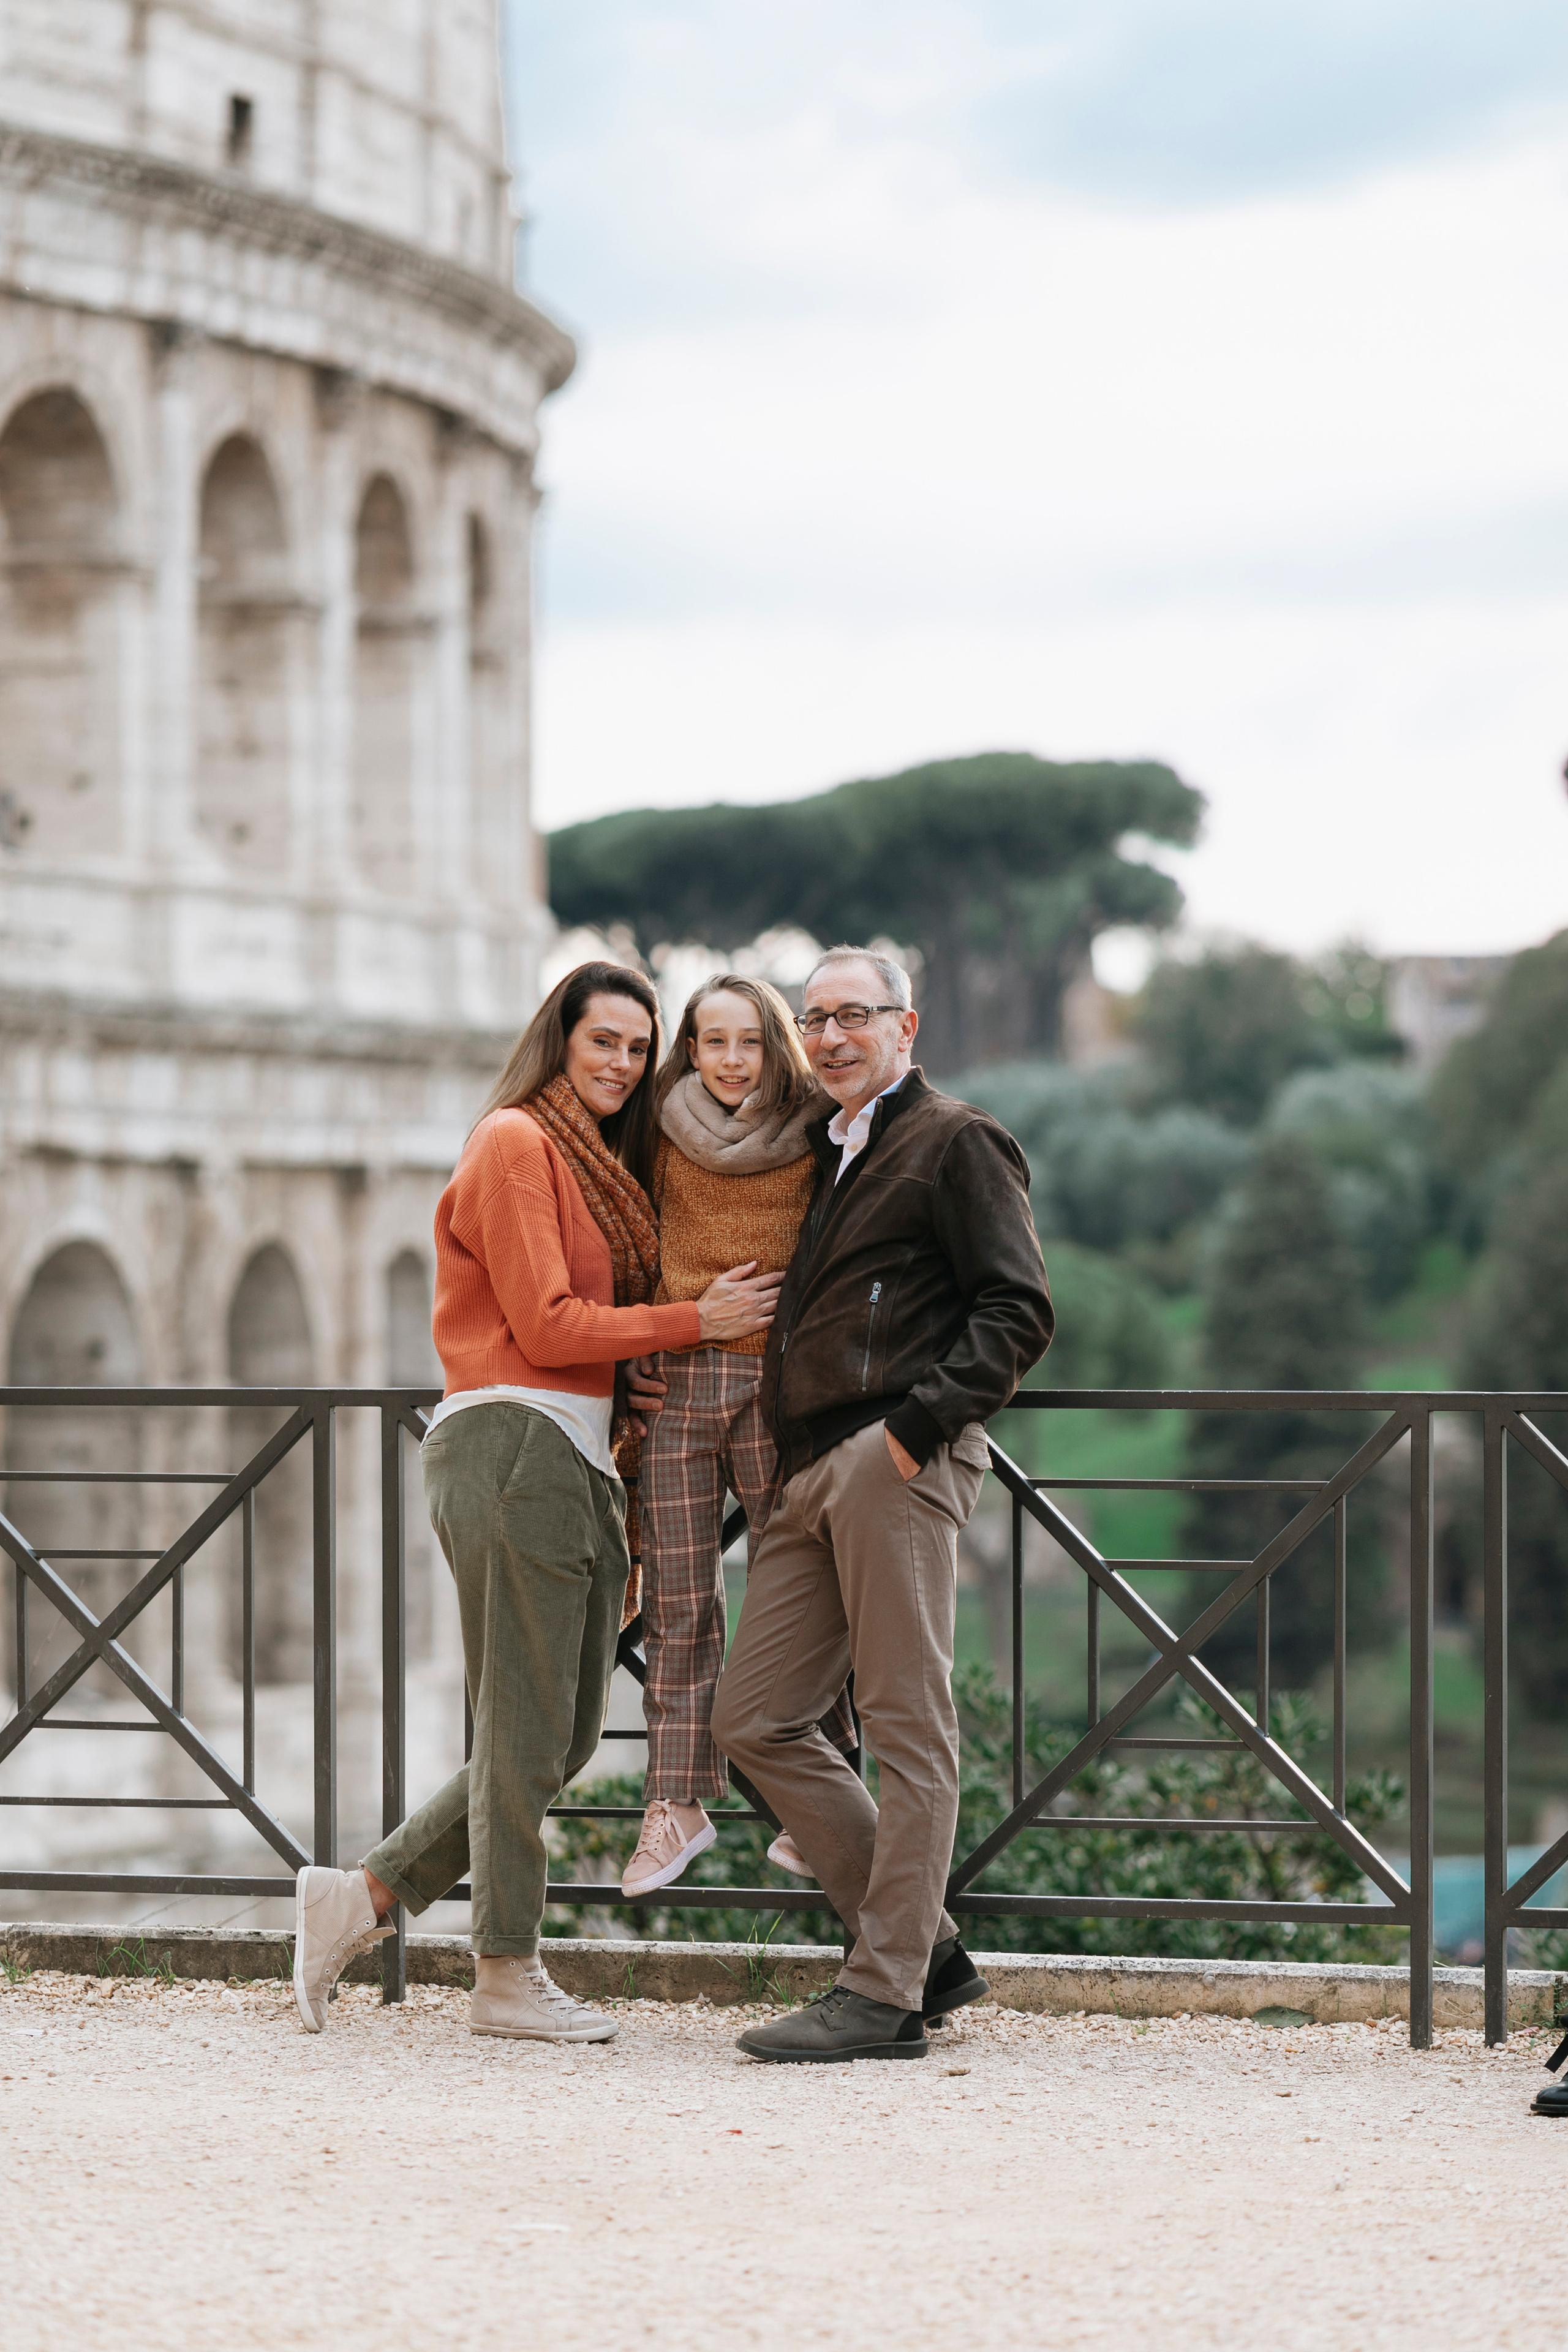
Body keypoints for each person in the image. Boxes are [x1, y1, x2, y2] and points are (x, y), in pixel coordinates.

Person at [288, 961, 781, 2043]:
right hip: (513, 1443)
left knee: (556, 1735)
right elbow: (550, 1326)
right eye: (603, 1040)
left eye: (640, 1048)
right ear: (558, 1039)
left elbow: (582, 1335)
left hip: (568, 1454)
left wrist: (636, 1366)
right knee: (520, 1724)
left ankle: (364, 1896)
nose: (622, 1064)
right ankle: (505, 1972)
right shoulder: (515, 1141)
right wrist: (694, 1321)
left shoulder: (595, 1164)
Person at [711, 944, 1054, 2064]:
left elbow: (1017, 1309)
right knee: (752, 1718)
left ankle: (884, 1993)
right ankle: (926, 1951)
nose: (831, 1038)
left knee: (908, 1726)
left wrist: (910, 1435)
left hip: (891, 1461)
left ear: (908, 1029)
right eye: (814, 1021)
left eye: (856, 1016)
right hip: (809, 1472)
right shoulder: (834, 1150)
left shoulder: (956, 1140)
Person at [618, 974, 854, 1900]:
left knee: (799, 1583)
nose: (729, 1060)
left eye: (748, 1041)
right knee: (679, 1600)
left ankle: (818, 1798)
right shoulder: (658, 1131)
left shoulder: (816, 1135)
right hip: (677, 1387)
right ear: (689, 1046)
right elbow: (637, 1252)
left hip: (774, 1389)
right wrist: (642, 1340)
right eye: (711, 1041)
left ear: (775, 1048)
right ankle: (676, 1802)